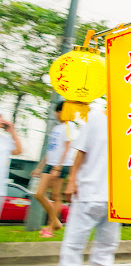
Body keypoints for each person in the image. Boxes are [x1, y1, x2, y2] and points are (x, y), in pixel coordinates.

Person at [59, 109, 121, 265]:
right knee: (73, 245)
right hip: (88, 191)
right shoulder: (95, 117)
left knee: (106, 248)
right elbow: (81, 150)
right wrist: (71, 180)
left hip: (117, 198)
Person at [31, 101, 76, 237]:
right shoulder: (57, 128)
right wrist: (39, 168)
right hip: (50, 163)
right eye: (57, 112)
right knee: (39, 194)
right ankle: (56, 222)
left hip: (61, 165)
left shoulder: (70, 126)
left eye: (59, 112)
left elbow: (68, 147)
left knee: (55, 196)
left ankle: (51, 227)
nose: (57, 115)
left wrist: (58, 167)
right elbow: (51, 149)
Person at [0, 113, 23, 217]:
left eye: (1, 117)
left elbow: (18, 150)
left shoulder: (4, 139)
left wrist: (12, 131)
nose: (2, 120)